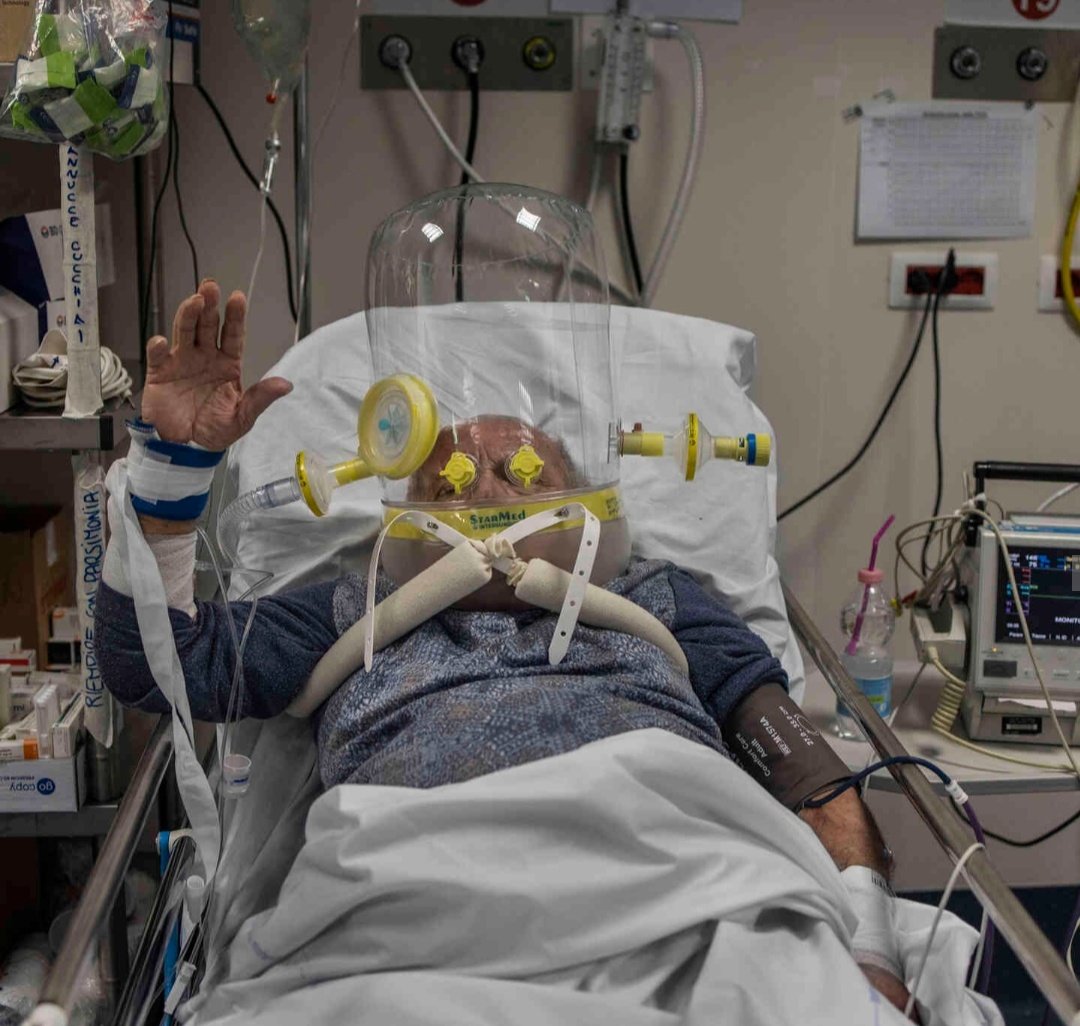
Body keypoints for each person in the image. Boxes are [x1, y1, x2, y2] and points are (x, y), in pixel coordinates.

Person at [96, 280, 922, 1018]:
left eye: (523, 469)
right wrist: (173, 467)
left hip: (682, 877)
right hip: (403, 918)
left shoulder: (661, 601)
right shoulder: (354, 608)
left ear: (584, 495)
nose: (486, 491)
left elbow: (805, 768)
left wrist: (871, 949)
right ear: (405, 513)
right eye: (447, 482)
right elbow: (159, 664)